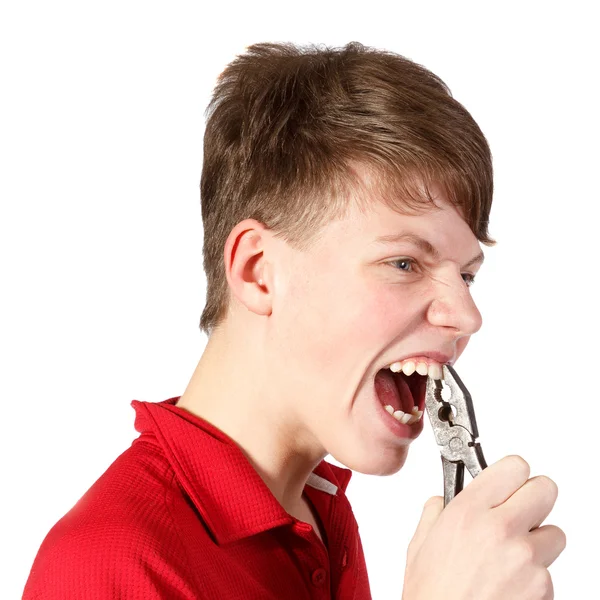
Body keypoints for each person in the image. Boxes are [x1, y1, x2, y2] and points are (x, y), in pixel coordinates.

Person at [23, 42, 566, 599]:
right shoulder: (107, 566)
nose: (467, 317)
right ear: (259, 272)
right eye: (404, 263)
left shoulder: (321, 514)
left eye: (467, 276)